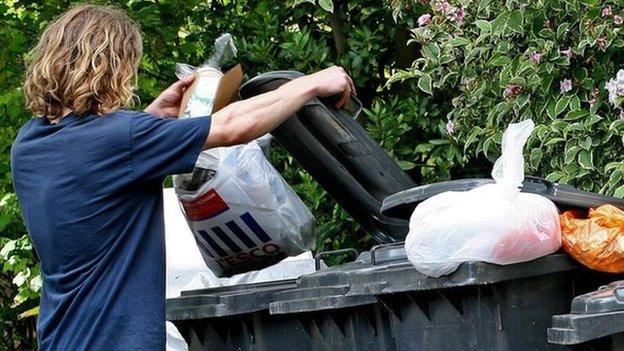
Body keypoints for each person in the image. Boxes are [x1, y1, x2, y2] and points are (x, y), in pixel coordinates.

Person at [11, 4, 355, 351]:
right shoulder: (123, 138)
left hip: (61, 339)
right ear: (110, 67)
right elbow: (234, 126)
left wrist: (153, 116)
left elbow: (95, 165)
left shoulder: (29, 142)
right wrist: (312, 84)